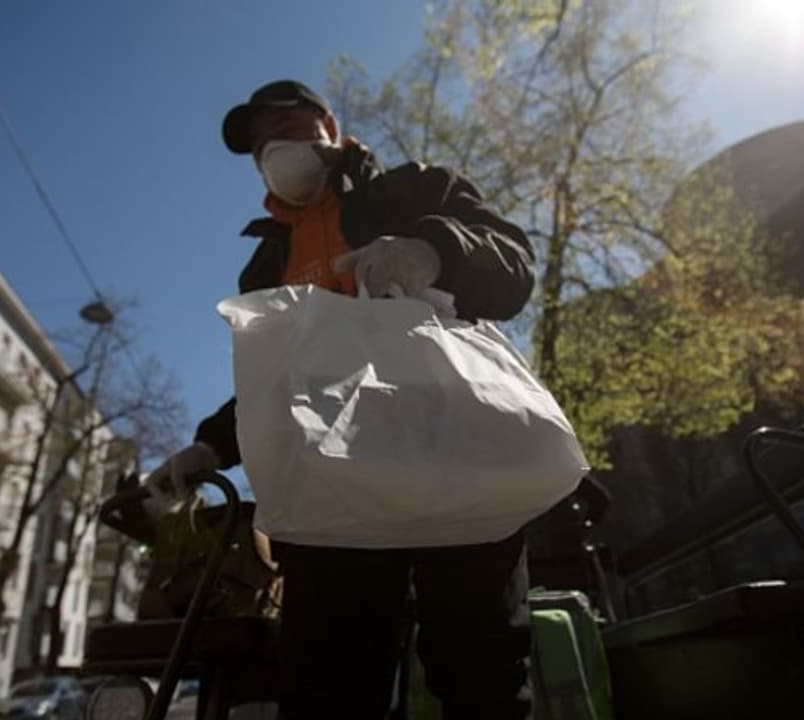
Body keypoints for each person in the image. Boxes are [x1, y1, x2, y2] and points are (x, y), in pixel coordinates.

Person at [149, 79, 537, 719]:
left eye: (286, 124)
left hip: (452, 454)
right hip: (333, 485)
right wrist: (209, 444)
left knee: (481, 668)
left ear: (328, 123)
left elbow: (514, 263)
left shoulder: (415, 191)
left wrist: (434, 249)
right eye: (258, 142)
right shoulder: (262, 268)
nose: (272, 145)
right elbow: (270, 382)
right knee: (326, 685)